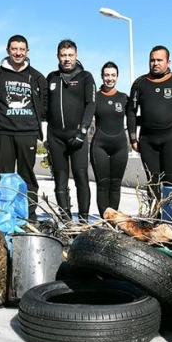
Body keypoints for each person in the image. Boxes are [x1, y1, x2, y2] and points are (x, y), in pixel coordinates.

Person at [0, 35, 47, 221]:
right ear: (7, 50)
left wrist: (39, 127)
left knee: (27, 177)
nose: (18, 52)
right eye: (14, 49)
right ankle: (1, 215)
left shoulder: (36, 77)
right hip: (4, 132)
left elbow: (44, 104)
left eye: (22, 49)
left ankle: (29, 215)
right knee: (3, 178)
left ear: (27, 51)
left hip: (28, 134)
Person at [126, 46, 172, 206]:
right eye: (152, 60)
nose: (155, 63)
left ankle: (169, 218)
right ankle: (154, 217)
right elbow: (131, 111)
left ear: (168, 62)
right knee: (152, 182)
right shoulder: (140, 83)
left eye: (160, 60)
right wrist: (133, 138)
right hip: (147, 141)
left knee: (170, 182)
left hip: (170, 139)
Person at [46, 39, 95, 220]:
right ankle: (65, 220)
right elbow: (44, 107)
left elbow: (91, 105)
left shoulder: (86, 77)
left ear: (76, 55)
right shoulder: (51, 77)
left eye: (70, 55)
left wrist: (83, 131)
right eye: (63, 55)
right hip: (56, 137)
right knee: (60, 180)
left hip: (78, 137)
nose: (67, 59)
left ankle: (83, 219)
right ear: (58, 56)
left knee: (81, 178)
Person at [90, 62, 129, 218]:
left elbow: (134, 118)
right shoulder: (95, 98)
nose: (110, 78)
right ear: (102, 76)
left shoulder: (124, 98)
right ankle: (104, 220)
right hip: (100, 145)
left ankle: (113, 219)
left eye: (113, 75)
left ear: (117, 76)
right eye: (107, 75)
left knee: (115, 185)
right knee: (103, 184)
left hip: (120, 145)